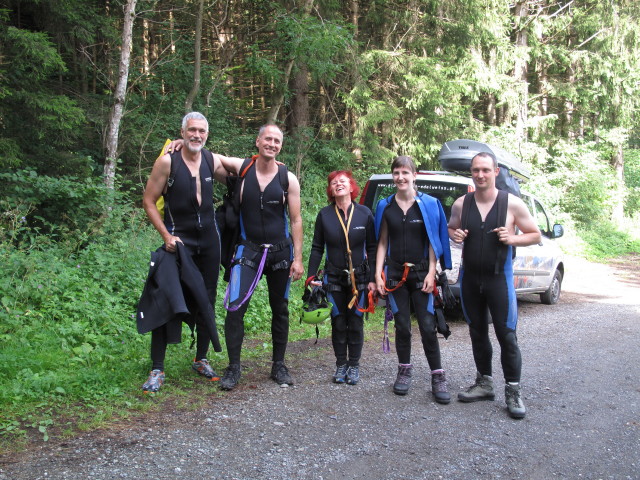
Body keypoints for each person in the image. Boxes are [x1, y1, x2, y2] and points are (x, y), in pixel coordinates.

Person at [178, 124, 304, 390]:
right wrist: (181, 145)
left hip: (281, 252)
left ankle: (278, 366)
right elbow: (209, 157)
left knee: (280, 310)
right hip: (247, 250)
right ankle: (234, 367)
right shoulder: (243, 168)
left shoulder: (287, 178)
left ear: (281, 146)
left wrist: (298, 258)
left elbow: (296, 219)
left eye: (277, 140)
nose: (272, 143)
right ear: (258, 141)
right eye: (267, 139)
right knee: (235, 308)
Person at [140, 112, 229, 393]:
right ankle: (157, 368)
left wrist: (274, 165)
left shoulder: (211, 160)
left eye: (202, 131)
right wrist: (166, 236)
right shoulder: (168, 161)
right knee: (165, 297)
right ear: (182, 131)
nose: (197, 135)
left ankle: (201, 358)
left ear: (207, 134)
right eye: (191, 130)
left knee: (206, 299)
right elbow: (148, 201)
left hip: (209, 244)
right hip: (178, 243)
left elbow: (246, 170)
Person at [448, 151, 541, 419]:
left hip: (499, 279)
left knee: (507, 336)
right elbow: (450, 228)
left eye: (485, 170)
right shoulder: (461, 204)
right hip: (470, 279)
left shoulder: (512, 204)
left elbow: (535, 235)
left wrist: (512, 239)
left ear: (496, 172)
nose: (480, 175)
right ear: (471, 173)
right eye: (476, 170)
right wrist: (456, 233)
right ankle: (484, 384)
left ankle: (513, 391)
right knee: (477, 332)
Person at [374, 156, 452, 404]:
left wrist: (432, 271)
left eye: (405, 173)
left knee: (428, 326)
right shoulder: (385, 206)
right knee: (403, 326)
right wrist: (378, 273)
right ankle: (404, 370)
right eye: (396, 173)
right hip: (395, 275)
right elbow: (382, 241)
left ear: (414, 175)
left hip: (421, 274)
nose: (400, 177)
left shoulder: (428, 204)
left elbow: (433, 239)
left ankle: (437, 375)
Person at [307, 171, 377, 385]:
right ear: (331, 189)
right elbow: (317, 247)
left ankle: (354, 366)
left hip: (361, 278)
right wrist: (311, 275)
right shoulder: (325, 215)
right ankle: (340, 365)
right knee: (338, 323)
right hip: (333, 277)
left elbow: (373, 248)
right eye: (334, 182)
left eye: (342, 181)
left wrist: (375, 277)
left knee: (355, 322)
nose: (338, 184)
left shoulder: (365, 214)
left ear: (351, 186)